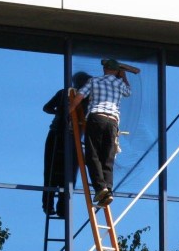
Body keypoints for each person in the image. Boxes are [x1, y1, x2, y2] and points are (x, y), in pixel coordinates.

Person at [77, 59, 132, 207]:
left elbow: (80, 96)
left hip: (96, 117)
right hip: (113, 122)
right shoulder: (120, 84)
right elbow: (128, 91)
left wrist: (70, 111)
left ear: (105, 69)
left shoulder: (94, 81)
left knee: (92, 154)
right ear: (116, 71)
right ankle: (108, 191)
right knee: (107, 157)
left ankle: (101, 188)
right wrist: (123, 75)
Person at [41, 71, 90, 218]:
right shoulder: (86, 98)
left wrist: (59, 113)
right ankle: (62, 208)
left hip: (57, 134)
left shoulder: (64, 93)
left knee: (51, 171)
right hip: (71, 137)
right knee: (68, 175)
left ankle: (49, 205)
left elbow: (47, 108)